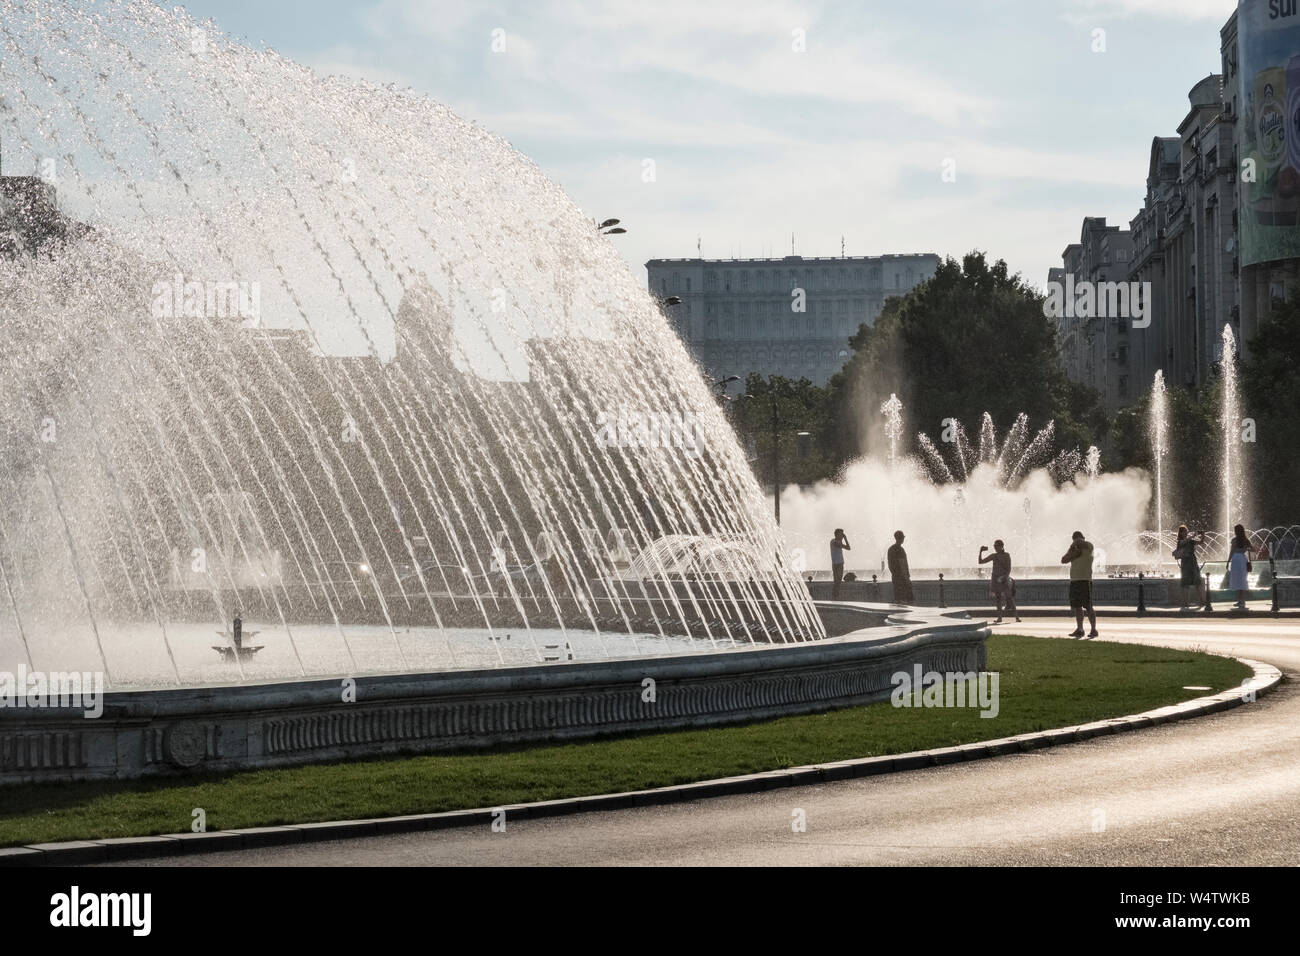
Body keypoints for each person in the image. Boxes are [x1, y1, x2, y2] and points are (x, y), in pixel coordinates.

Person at [1060, 530, 1097, 638]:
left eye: (1077, 540)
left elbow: (1082, 544)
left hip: (1085, 580)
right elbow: (1063, 560)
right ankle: (1080, 629)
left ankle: (1094, 629)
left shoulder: (1089, 545)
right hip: (1075, 580)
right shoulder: (1074, 550)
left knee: (1088, 606)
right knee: (1077, 607)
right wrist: (1072, 550)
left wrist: (1074, 546)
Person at [978, 540, 1020, 624]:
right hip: (995, 579)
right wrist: (980, 551)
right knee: (998, 599)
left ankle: (1017, 617)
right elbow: (981, 562)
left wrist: (1004, 577)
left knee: (1009, 598)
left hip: (1003, 579)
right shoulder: (994, 556)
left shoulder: (1006, 555)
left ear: (1002, 546)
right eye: (995, 546)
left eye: (997, 546)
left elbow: (1008, 569)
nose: (995, 548)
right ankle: (999, 618)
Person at [1171, 525, 1204, 611]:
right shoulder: (1180, 542)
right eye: (1184, 531)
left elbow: (1200, 542)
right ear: (1181, 533)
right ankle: (1186, 602)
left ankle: (1202, 601)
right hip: (1185, 564)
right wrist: (1192, 536)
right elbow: (1183, 542)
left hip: (1193, 562)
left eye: (1186, 531)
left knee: (1197, 581)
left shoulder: (1191, 541)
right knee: (1185, 583)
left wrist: (1203, 535)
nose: (1186, 532)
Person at [1228, 524, 1254, 612]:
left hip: (1235, 560)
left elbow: (1231, 552)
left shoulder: (1234, 540)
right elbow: (1253, 549)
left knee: (1237, 580)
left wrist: (1228, 562)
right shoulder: (1246, 540)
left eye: (1235, 530)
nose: (1234, 532)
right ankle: (1241, 601)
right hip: (1242, 559)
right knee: (1242, 579)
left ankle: (1240, 600)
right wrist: (1247, 549)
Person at [886, 530, 913, 604]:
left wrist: (895, 574)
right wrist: (907, 578)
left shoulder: (891, 549)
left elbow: (890, 565)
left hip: (895, 577)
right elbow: (903, 565)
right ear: (901, 538)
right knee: (906, 599)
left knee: (898, 598)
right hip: (902, 578)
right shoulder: (900, 550)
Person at [829, 529, 850, 600]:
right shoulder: (834, 542)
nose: (842, 536)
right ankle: (835, 596)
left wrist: (845, 538)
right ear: (837, 534)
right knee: (837, 581)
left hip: (839, 563)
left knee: (838, 581)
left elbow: (849, 548)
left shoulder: (836, 542)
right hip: (837, 564)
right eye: (841, 534)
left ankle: (835, 596)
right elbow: (847, 547)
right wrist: (845, 538)